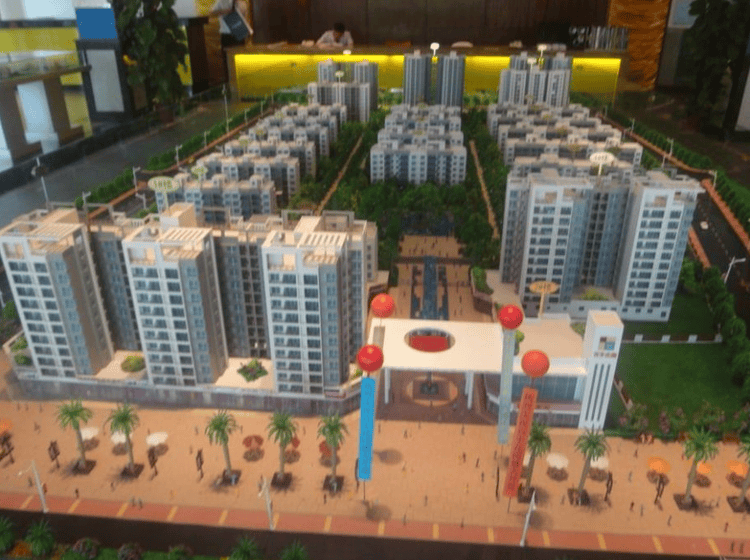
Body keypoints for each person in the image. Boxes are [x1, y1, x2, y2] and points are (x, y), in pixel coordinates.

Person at [210, 0, 251, 82]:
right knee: (227, 63)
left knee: (240, 62)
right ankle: (228, 83)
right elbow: (211, 13)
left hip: (239, 34)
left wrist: (247, 31)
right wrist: (225, 11)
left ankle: (240, 82)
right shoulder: (222, 1)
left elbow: (244, 18)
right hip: (227, 35)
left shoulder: (242, 3)